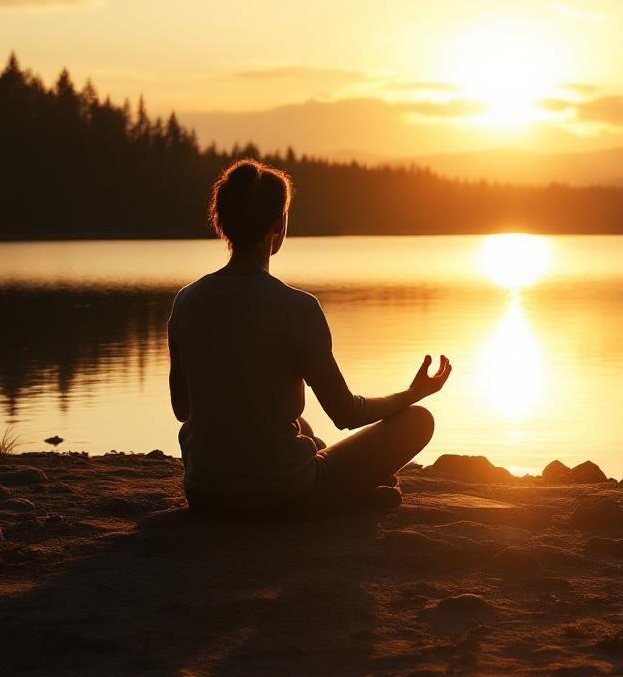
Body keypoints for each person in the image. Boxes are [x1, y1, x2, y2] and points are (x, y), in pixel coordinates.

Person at [167, 158, 450, 517]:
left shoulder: (186, 301)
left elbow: (183, 409)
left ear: (220, 221)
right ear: (279, 225)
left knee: (302, 428)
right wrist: (412, 393)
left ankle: (350, 489)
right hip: (283, 495)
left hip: (206, 494)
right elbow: (347, 413)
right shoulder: (297, 307)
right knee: (418, 421)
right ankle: (346, 495)